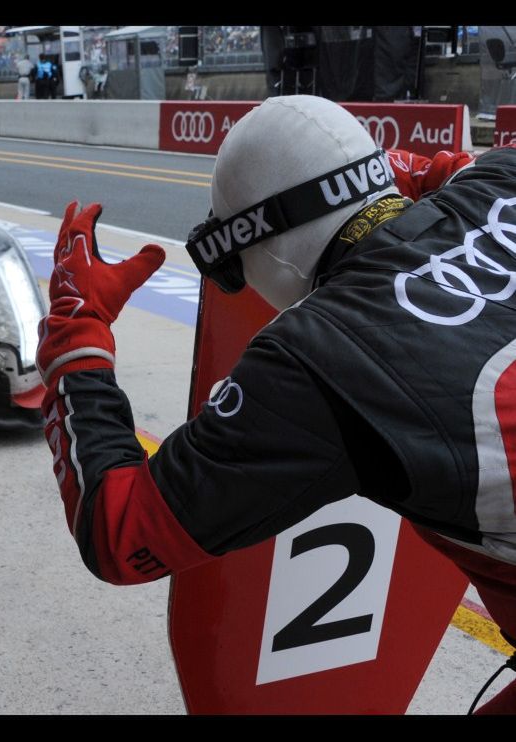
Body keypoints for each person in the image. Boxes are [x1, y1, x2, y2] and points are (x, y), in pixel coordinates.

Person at [36, 95, 516, 714]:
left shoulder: (320, 361)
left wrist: (76, 338)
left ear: (259, 248)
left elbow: (120, 533)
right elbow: (450, 171)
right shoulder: (500, 174)